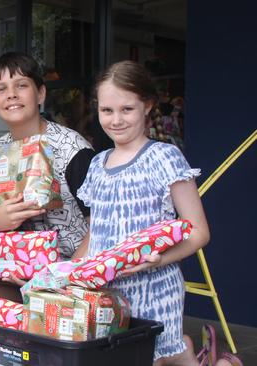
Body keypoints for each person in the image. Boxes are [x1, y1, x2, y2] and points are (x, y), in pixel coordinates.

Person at [75, 60, 211, 365]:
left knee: (147, 356)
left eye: (127, 109)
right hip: (107, 293)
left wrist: (160, 259)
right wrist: (69, 273)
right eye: (107, 111)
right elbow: (96, 231)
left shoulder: (164, 157)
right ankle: (185, 354)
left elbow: (199, 231)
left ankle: (181, 353)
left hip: (155, 290)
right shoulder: (97, 164)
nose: (116, 120)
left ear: (147, 105)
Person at [0, 52, 95, 302]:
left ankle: (47, 311)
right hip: (20, 267)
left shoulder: (73, 149)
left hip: (74, 269)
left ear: (41, 94)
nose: (11, 94)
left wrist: (67, 275)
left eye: (21, 85)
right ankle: (29, 320)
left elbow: (100, 223)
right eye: (1, 89)